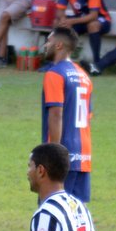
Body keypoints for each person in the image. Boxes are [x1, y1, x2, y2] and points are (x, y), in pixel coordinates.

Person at [41, 27, 94, 203]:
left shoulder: (54, 74)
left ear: (59, 45)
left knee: (52, 210)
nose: (45, 45)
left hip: (63, 155)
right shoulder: (84, 76)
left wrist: (53, 155)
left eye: (48, 41)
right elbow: (88, 116)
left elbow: (56, 114)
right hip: (83, 156)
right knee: (77, 213)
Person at [54, 0, 112, 65]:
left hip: (101, 19)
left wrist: (71, 21)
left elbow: (93, 16)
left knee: (92, 25)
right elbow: (60, 10)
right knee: (57, 23)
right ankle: (56, 62)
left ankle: (97, 63)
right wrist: (63, 20)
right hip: (80, 19)